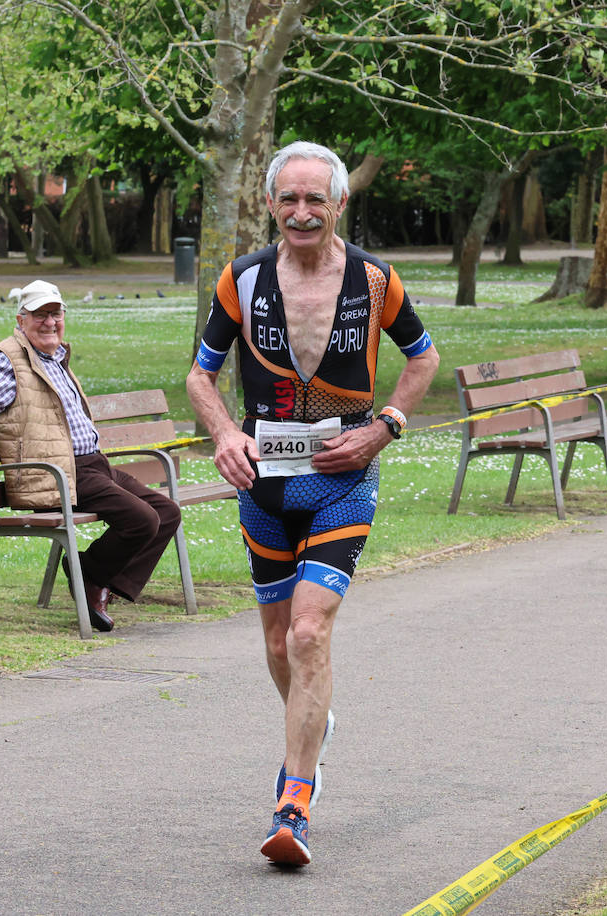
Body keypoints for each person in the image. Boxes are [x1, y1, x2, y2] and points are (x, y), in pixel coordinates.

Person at [185, 141, 439, 866]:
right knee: (276, 644)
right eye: (288, 200)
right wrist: (226, 432)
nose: (301, 213)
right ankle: (313, 725)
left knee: (306, 635)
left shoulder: (374, 279)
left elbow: (423, 358)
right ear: (270, 204)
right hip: (263, 487)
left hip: (340, 482)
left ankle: (292, 802)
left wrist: (383, 429)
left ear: (339, 204)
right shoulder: (243, 280)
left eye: (314, 200)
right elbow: (202, 377)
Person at [0, 280, 181, 633]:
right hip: (58, 473)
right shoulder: (9, 358)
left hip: (92, 465)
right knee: (143, 520)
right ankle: (92, 575)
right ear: (21, 321)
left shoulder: (55, 356)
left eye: (55, 314)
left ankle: (95, 577)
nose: (49, 322)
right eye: (39, 315)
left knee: (167, 512)